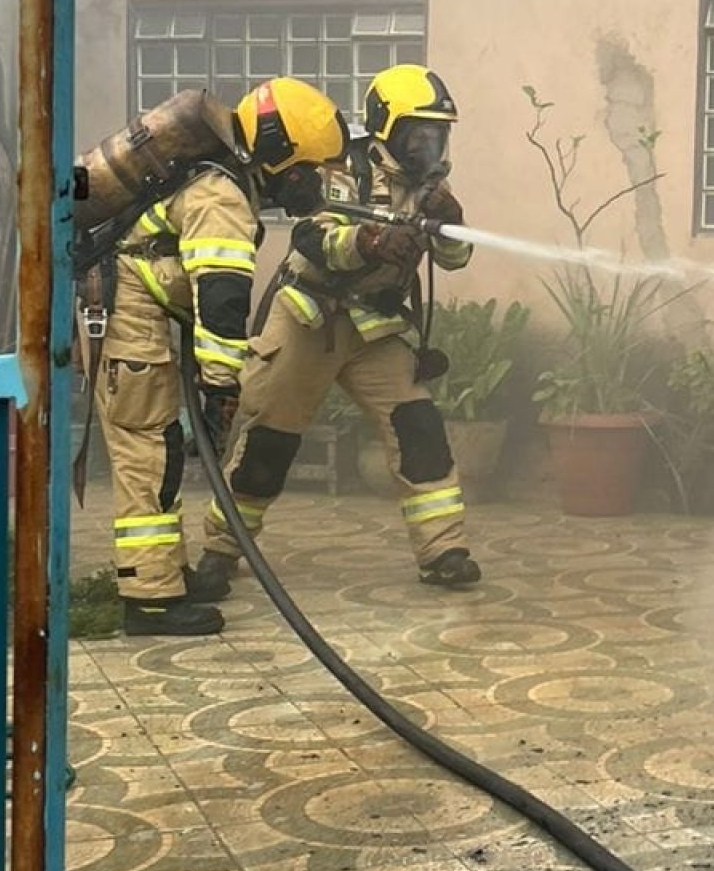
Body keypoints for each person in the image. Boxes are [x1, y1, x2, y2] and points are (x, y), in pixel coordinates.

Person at [191, 64, 480, 597]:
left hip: (376, 327)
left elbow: (455, 259)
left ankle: (444, 549)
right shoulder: (335, 165)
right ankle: (221, 548)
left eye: (436, 135)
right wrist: (365, 244)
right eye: (418, 133)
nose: (428, 146)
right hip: (308, 319)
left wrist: (453, 221)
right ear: (386, 127)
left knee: (419, 430)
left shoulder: (432, 187)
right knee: (266, 445)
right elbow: (311, 237)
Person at [99, 77, 348, 636]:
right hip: (132, 329)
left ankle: (160, 578)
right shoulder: (223, 197)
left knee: (154, 450)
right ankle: (150, 599)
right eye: (310, 170)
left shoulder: (218, 181)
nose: (312, 185)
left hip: (140, 322)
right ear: (281, 153)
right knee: (148, 454)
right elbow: (223, 296)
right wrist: (221, 384)